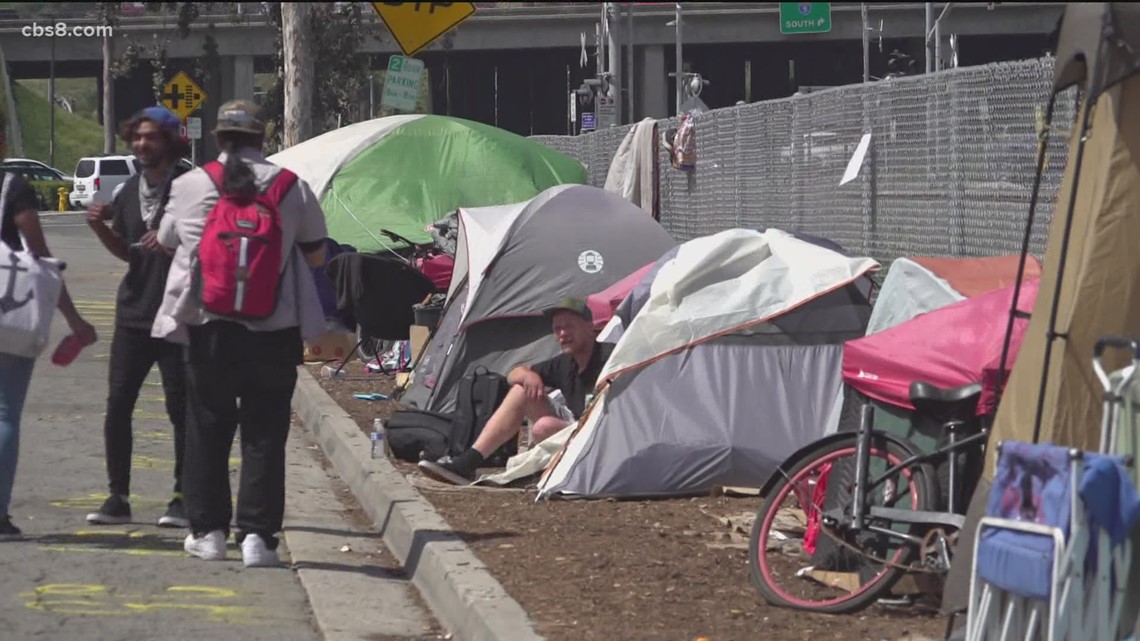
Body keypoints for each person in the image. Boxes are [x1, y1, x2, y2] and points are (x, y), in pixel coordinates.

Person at [153, 100, 328, 566]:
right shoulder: (293, 188)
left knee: (206, 428)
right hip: (274, 329)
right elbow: (316, 255)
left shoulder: (191, 184)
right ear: (262, 138)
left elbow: (167, 241)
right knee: (265, 432)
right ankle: (259, 539)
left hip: (208, 328)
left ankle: (208, 533)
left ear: (217, 139)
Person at [84, 106, 193, 528]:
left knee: (179, 408)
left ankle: (182, 496)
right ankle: (118, 497)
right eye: (137, 137)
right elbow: (128, 251)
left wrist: (174, 245)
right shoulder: (129, 190)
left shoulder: (188, 187)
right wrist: (99, 229)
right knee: (118, 405)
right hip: (133, 314)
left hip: (177, 313)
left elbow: (206, 243)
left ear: (168, 141)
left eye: (150, 137)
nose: (142, 144)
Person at [418, 298, 613, 486]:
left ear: (590, 327)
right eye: (557, 328)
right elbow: (513, 374)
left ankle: (549, 469)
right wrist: (528, 376)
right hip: (575, 429)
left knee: (543, 427)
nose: (562, 333)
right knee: (522, 389)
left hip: (606, 435)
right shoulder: (564, 364)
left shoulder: (612, 357)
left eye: (569, 326)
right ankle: (469, 461)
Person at [1, 166, 97, 539]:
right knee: (5, 412)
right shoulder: (11, 187)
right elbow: (40, 256)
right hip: (8, 312)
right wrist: (74, 320)